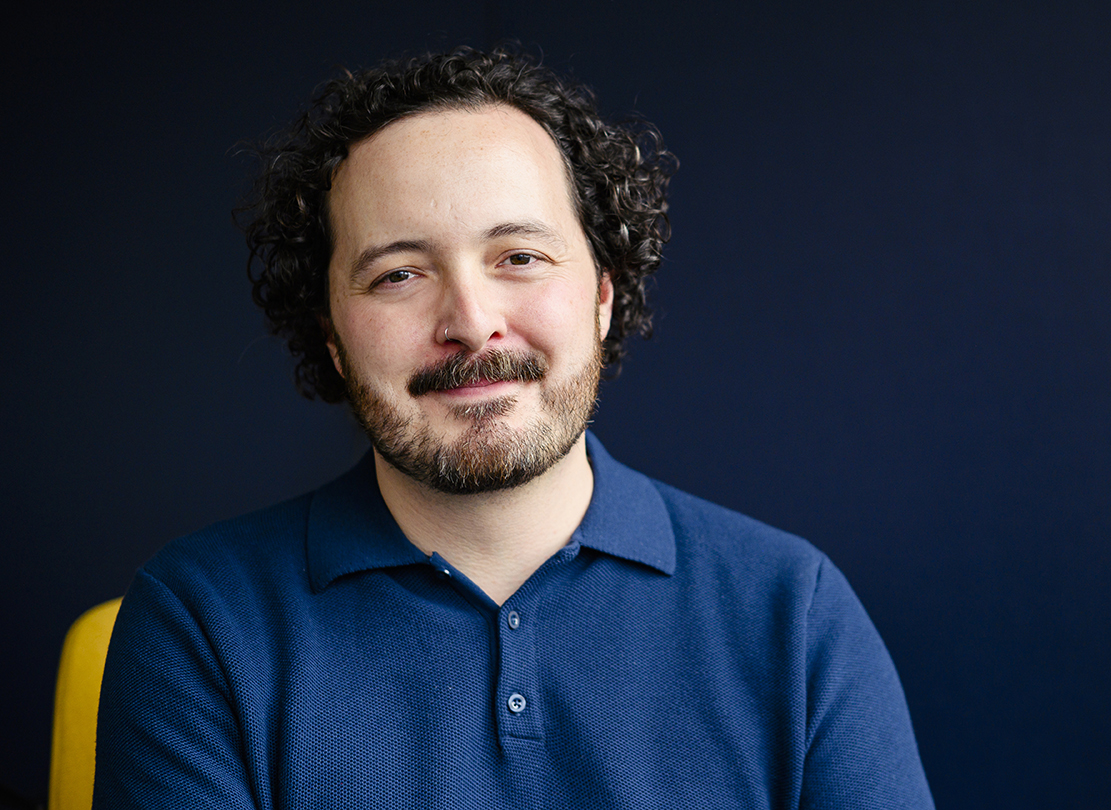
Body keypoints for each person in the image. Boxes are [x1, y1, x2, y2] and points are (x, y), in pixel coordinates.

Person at [94, 46, 933, 809]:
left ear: (603, 295)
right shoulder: (199, 620)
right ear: (332, 340)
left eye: (519, 257)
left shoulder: (794, 613)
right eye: (398, 274)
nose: (470, 320)